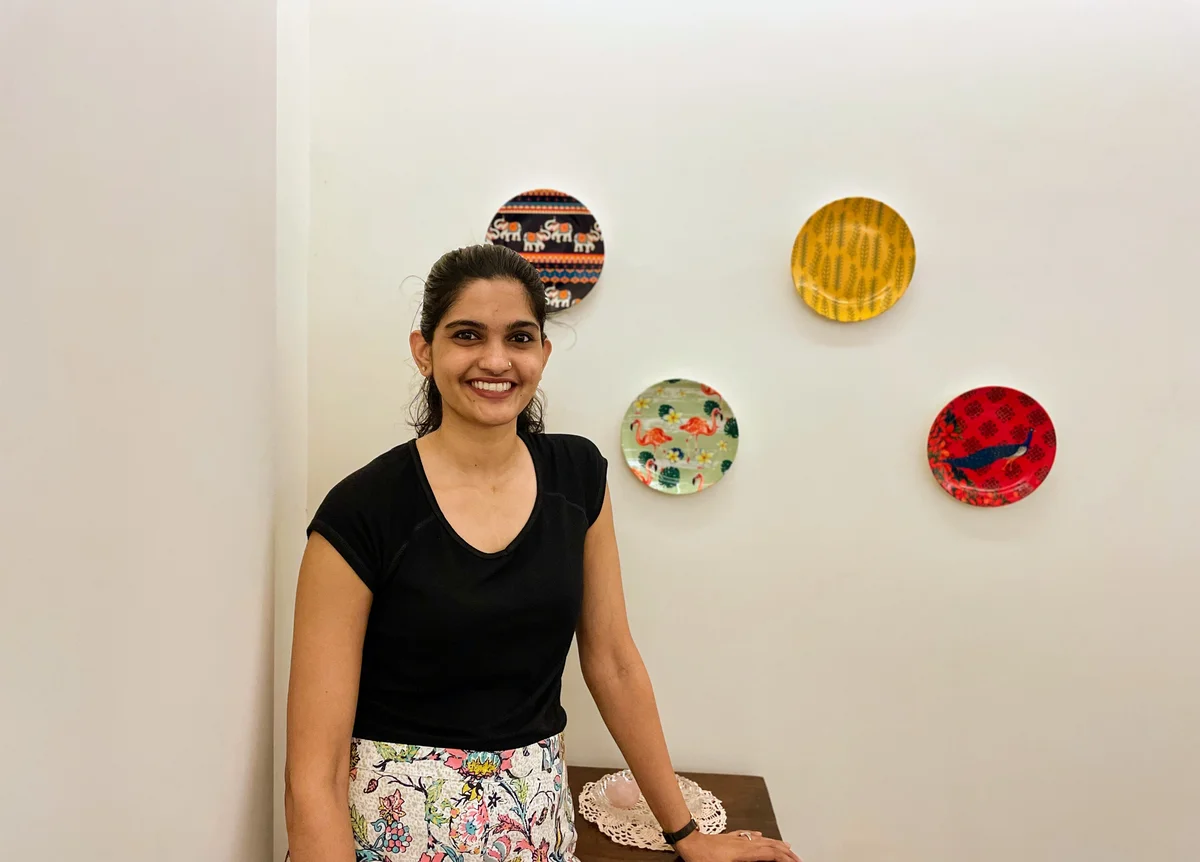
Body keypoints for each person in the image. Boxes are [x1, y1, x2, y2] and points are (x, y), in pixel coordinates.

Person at [284, 244, 801, 862]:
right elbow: (311, 776)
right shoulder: (359, 512)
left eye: (519, 337)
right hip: (394, 832)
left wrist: (688, 837)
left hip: (537, 827)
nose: (495, 360)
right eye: (467, 335)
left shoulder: (577, 477)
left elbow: (612, 661)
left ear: (543, 354)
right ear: (425, 350)